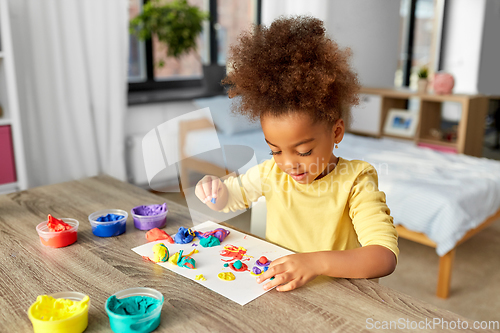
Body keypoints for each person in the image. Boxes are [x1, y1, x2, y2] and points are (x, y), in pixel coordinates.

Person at [194, 15, 399, 292]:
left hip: (338, 296)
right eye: (275, 150)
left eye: (304, 151)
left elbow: (383, 257)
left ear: (336, 132)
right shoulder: (270, 173)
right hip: (280, 289)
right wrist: (213, 190)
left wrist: (314, 263)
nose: (289, 164)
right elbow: (230, 198)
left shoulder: (356, 181)